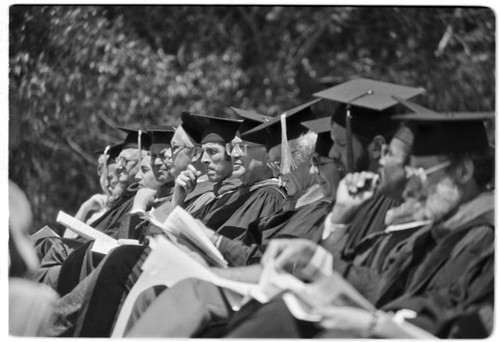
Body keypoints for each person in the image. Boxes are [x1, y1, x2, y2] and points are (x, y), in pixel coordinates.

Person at [222, 111, 495, 338]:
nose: (410, 184)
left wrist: (374, 324)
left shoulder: (485, 239)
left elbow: (450, 318)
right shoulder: (440, 230)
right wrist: (314, 258)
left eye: (420, 172)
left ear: (463, 171)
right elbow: (384, 284)